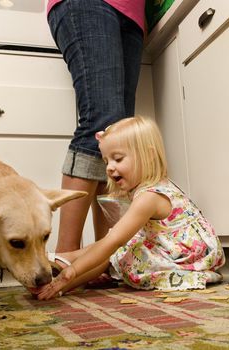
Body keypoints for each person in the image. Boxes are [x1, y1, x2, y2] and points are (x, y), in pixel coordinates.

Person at [34, 116, 226, 300]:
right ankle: (62, 276)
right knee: (119, 246)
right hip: (181, 251)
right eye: (106, 161)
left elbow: (113, 242)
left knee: (120, 247)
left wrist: (73, 271)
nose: (109, 167)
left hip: (183, 258)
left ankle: (64, 263)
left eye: (117, 159)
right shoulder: (153, 187)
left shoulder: (149, 197)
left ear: (148, 157)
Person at [47, 0, 146, 252]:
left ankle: (104, 255)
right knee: (101, 124)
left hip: (133, 14)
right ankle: (66, 255)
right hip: (89, 4)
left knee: (117, 137)